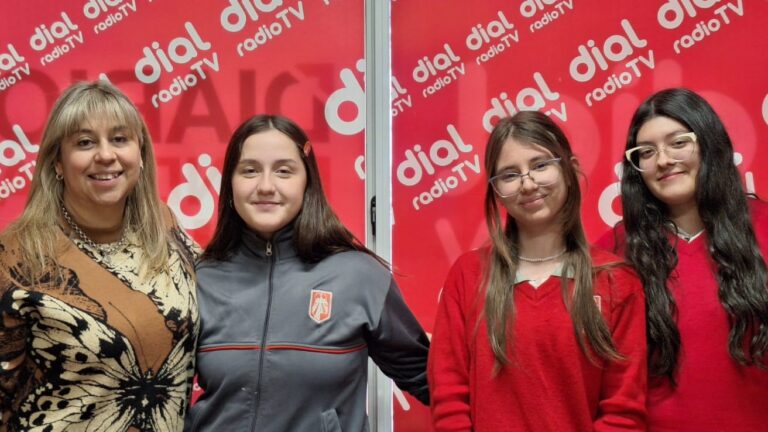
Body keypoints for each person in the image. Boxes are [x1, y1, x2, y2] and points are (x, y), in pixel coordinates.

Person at [185, 114, 429, 431]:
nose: (266, 186)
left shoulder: (359, 276)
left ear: (307, 182)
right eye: (249, 171)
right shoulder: (199, 278)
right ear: (230, 184)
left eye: (284, 171)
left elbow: (429, 377)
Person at [0, 80, 199, 431]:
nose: (106, 155)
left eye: (120, 139)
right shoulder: (17, 257)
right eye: (85, 142)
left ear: (140, 154)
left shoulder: (163, 226)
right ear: (57, 162)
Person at [429, 111, 647, 431]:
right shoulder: (469, 275)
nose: (528, 184)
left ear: (569, 169)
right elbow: (450, 400)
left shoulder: (617, 281)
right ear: (496, 190)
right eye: (509, 174)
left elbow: (622, 412)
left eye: (540, 165)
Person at [598, 88, 768, 431]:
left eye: (678, 142)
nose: (663, 160)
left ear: (708, 142)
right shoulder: (612, 254)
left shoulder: (762, 224)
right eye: (646, 152)